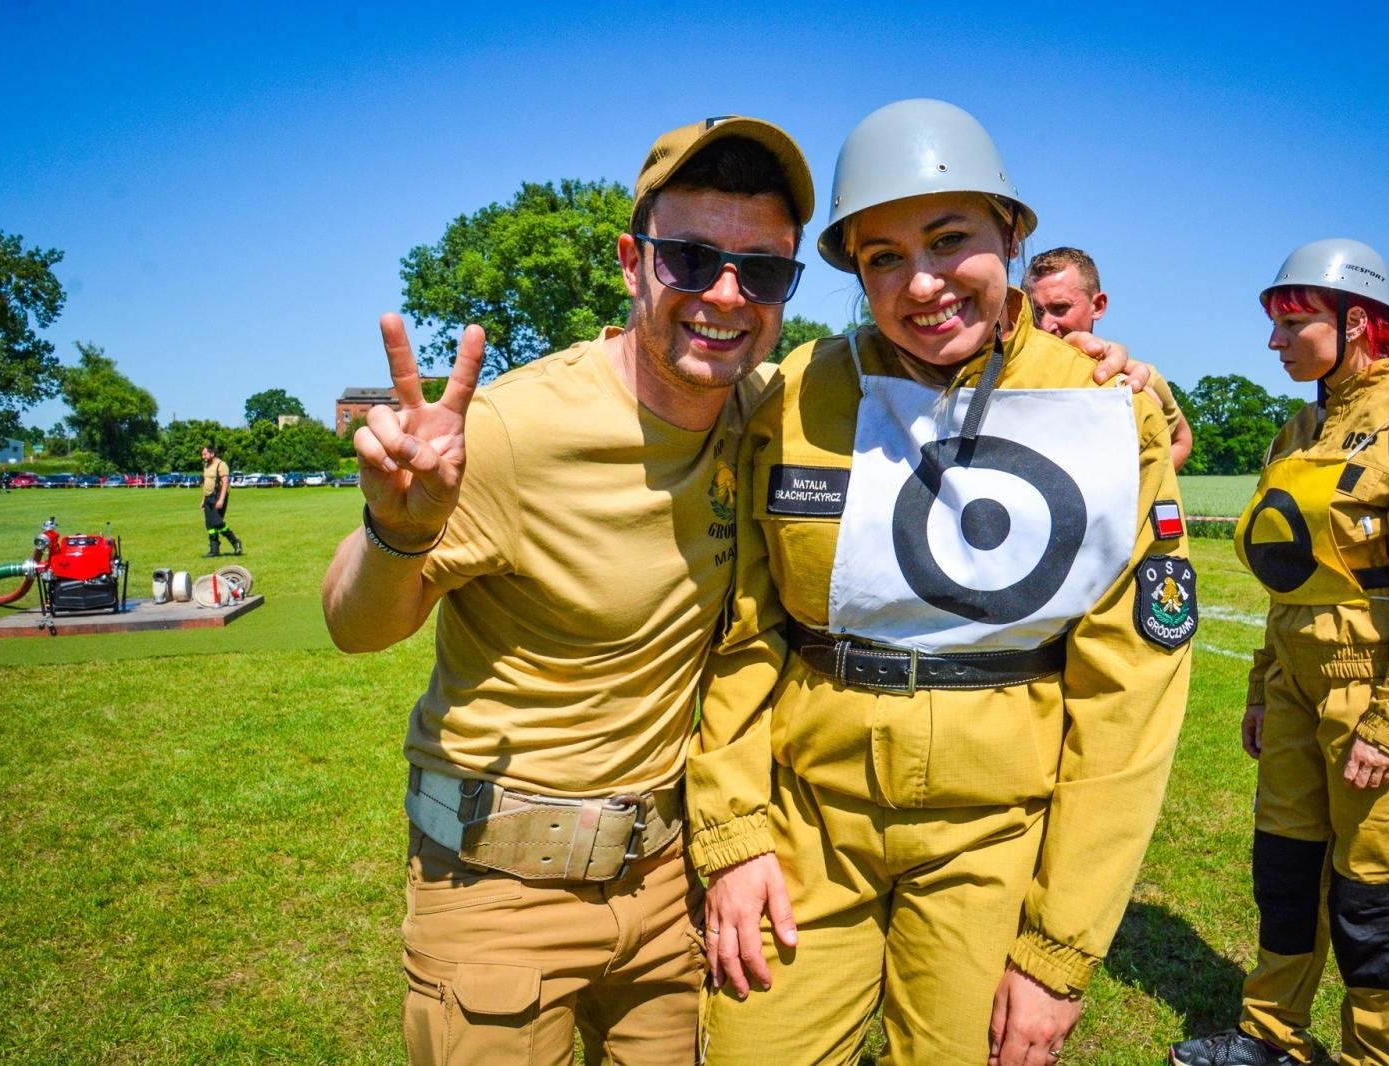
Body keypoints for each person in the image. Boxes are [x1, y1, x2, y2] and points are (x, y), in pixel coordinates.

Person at [688, 98, 1194, 1066]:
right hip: (804, 827)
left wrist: (1058, 950)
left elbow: (1130, 699)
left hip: (994, 839)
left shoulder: (1102, 408)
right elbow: (743, 631)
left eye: (950, 238)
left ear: (1012, 235)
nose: (921, 283)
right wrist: (733, 834)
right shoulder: (796, 394)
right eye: (882, 257)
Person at [321, 115, 817, 1066]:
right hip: (497, 894)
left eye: (761, 271)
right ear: (633, 263)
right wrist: (400, 530)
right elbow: (356, 626)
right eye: (691, 258)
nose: (726, 294)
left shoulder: (764, 412)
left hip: (668, 887)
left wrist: (1084, 363)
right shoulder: (517, 429)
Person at [1172, 239, 1389, 1066]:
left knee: (1370, 891)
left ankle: (1377, 1053)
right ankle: (1270, 1033)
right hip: (1296, 686)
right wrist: (1261, 689)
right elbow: (1293, 582)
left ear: (1355, 323)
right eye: (1275, 325)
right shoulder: (1302, 428)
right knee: (1284, 870)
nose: (1275, 342)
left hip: (1377, 695)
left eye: (1294, 324)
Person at [1024, 246, 1194, 471]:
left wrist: (1142, 482)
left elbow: (1182, 440)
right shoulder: (1005, 369)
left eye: (1060, 308)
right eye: (1035, 311)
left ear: (1098, 306)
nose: (1045, 325)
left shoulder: (1138, 378)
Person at [199, 443, 243, 557]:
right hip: (208, 497)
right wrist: (203, 499)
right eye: (202, 454)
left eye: (205, 454)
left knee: (217, 522)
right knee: (209, 525)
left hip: (218, 497)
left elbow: (225, 482)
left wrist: (221, 500)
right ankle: (214, 550)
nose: (203, 457)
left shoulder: (221, 465)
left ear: (212, 453)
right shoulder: (206, 466)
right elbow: (206, 483)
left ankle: (236, 542)